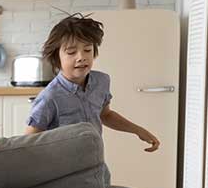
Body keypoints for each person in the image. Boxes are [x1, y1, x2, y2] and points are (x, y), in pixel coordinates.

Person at [26, 13, 160, 154]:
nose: (81, 57)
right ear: (56, 57)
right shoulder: (49, 97)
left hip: (95, 162)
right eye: (71, 52)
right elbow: (30, 140)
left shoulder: (102, 81)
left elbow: (105, 115)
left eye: (87, 50)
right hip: (63, 170)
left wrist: (138, 131)